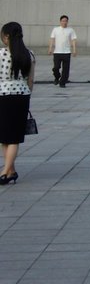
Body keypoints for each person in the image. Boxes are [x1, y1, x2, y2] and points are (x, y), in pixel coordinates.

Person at [0, 22, 34, 185]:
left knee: (5, 137)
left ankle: (4, 171)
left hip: (3, 95)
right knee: (13, 136)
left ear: (6, 36)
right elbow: (31, 80)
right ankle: (10, 170)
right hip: (22, 96)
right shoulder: (29, 54)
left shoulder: (1, 54)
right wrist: (26, 93)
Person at [48, 14, 77, 87]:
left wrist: (74, 50)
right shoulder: (55, 29)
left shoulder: (70, 30)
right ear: (60, 21)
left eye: (66, 21)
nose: (64, 22)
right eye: (63, 21)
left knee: (66, 69)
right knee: (56, 67)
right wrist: (50, 48)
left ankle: (62, 82)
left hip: (66, 52)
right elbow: (52, 39)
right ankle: (57, 77)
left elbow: (73, 40)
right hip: (57, 52)